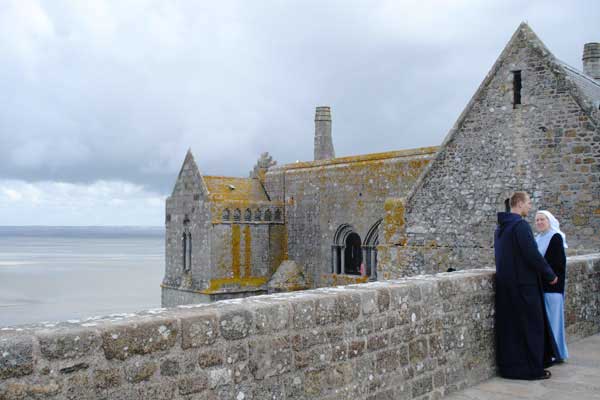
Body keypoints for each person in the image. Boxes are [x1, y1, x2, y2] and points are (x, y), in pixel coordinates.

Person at [494, 191, 558, 380]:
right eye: (528, 203)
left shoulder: (500, 229)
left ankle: (512, 368)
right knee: (531, 329)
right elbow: (531, 254)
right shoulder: (520, 226)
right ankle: (531, 369)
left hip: (506, 287)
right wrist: (550, 274)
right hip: (524, 288)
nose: (530, 206)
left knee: (512, 330)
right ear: (520, 204)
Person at [535, 210, 569, 362]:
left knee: (553, 322)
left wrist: (551, 279)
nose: (540, 222)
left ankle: (555, 353)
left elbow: (557, 264)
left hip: (552, 287)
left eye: (542, 219)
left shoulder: (555, 237)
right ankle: (552, 352)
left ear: (549, 221)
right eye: (537, 220)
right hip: (542, 287)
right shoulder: (537, 239)